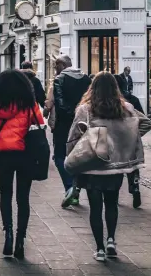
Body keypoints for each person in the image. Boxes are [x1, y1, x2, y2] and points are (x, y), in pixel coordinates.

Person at [66, 72, 151, 262]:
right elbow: (146, 123)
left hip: (93, 165)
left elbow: (73, 136)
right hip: (115, 165)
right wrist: (127, 140)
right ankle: (112, 240)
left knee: (95, 208)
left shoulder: (85, 110)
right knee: (111, 203)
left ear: (93, 88)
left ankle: (100, 249)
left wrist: (72, 155)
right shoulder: (126, 108)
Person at [0, 70, 45, 260]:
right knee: (23, 199)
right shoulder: (30, 105)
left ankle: (8, 234)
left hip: (3, 156)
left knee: (5, 194)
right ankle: (20, 240)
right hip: (26, 155)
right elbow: (39, 126)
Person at [53, 55, 91, 208]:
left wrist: (71, 114)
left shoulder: (59, 80)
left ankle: (70, 187)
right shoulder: (86, 78)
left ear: (62, 65)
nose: (55, 70)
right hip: (83, 123)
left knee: (59, 156)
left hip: (64, 125)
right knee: (80, 157)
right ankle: (76, 188)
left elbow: (60, 105)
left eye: (56, 67)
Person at [114, 74, 144, 208]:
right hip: (131, 140)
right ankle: (135, 187)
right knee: (132, 166)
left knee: (118, 167)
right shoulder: (133, 100)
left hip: (117, 140)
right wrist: (135, 134)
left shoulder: (111, 102)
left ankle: (115, 194)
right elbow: (144, 121)